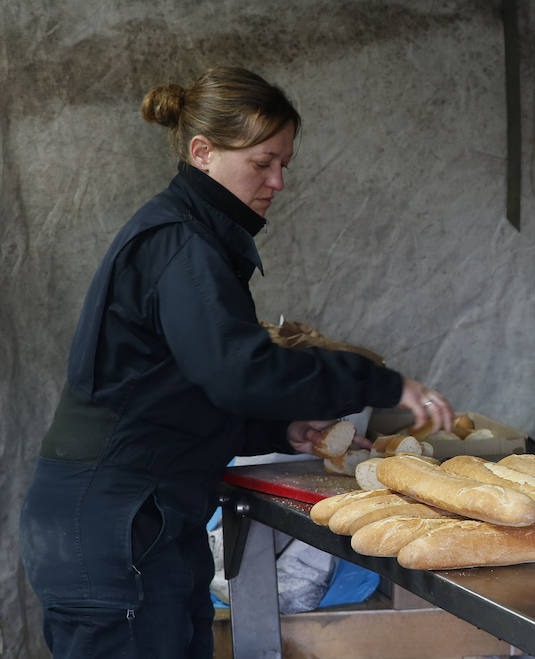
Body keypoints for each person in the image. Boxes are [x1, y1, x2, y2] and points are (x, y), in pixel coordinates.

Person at [19, 66, 454, 658]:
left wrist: (277, 429)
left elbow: (178, 391)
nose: (277, 181)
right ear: (203, 152)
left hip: (143, 525)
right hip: (114, 525)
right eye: (261, 162)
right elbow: (240, 370)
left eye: (284, 164)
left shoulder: (194, 239)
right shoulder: (179, 244)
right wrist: (380, 382)